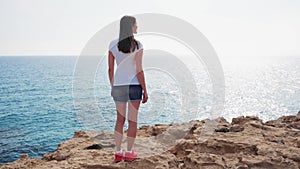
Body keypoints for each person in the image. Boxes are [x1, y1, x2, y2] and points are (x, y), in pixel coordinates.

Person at [108, 15, 148, 163]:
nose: (137, 27)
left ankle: (118, 153)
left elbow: (110, 69)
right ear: (130, 26)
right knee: (132, 120)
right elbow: (139, 70)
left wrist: (112, 86)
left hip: (119, 86)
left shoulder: (112, 44)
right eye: (135, 25)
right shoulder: (138, 46)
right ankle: (130, 152)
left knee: (120, 120)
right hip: (134, 86)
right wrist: (145, 89)